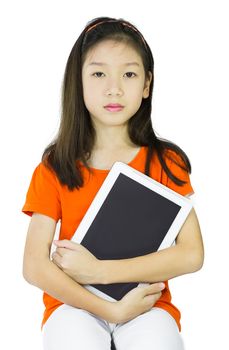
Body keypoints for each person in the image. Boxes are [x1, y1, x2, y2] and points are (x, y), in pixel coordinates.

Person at [22, 16, 204, 350]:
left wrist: (100, 271)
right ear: (78, 82)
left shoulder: (165, 162)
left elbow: (192, 254)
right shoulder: (55, 166)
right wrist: (109, 308)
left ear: (147, 84)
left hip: (147, 304)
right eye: (99, 73)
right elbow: (34, 265)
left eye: (130, 74)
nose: (114, 87)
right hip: (71, 303)